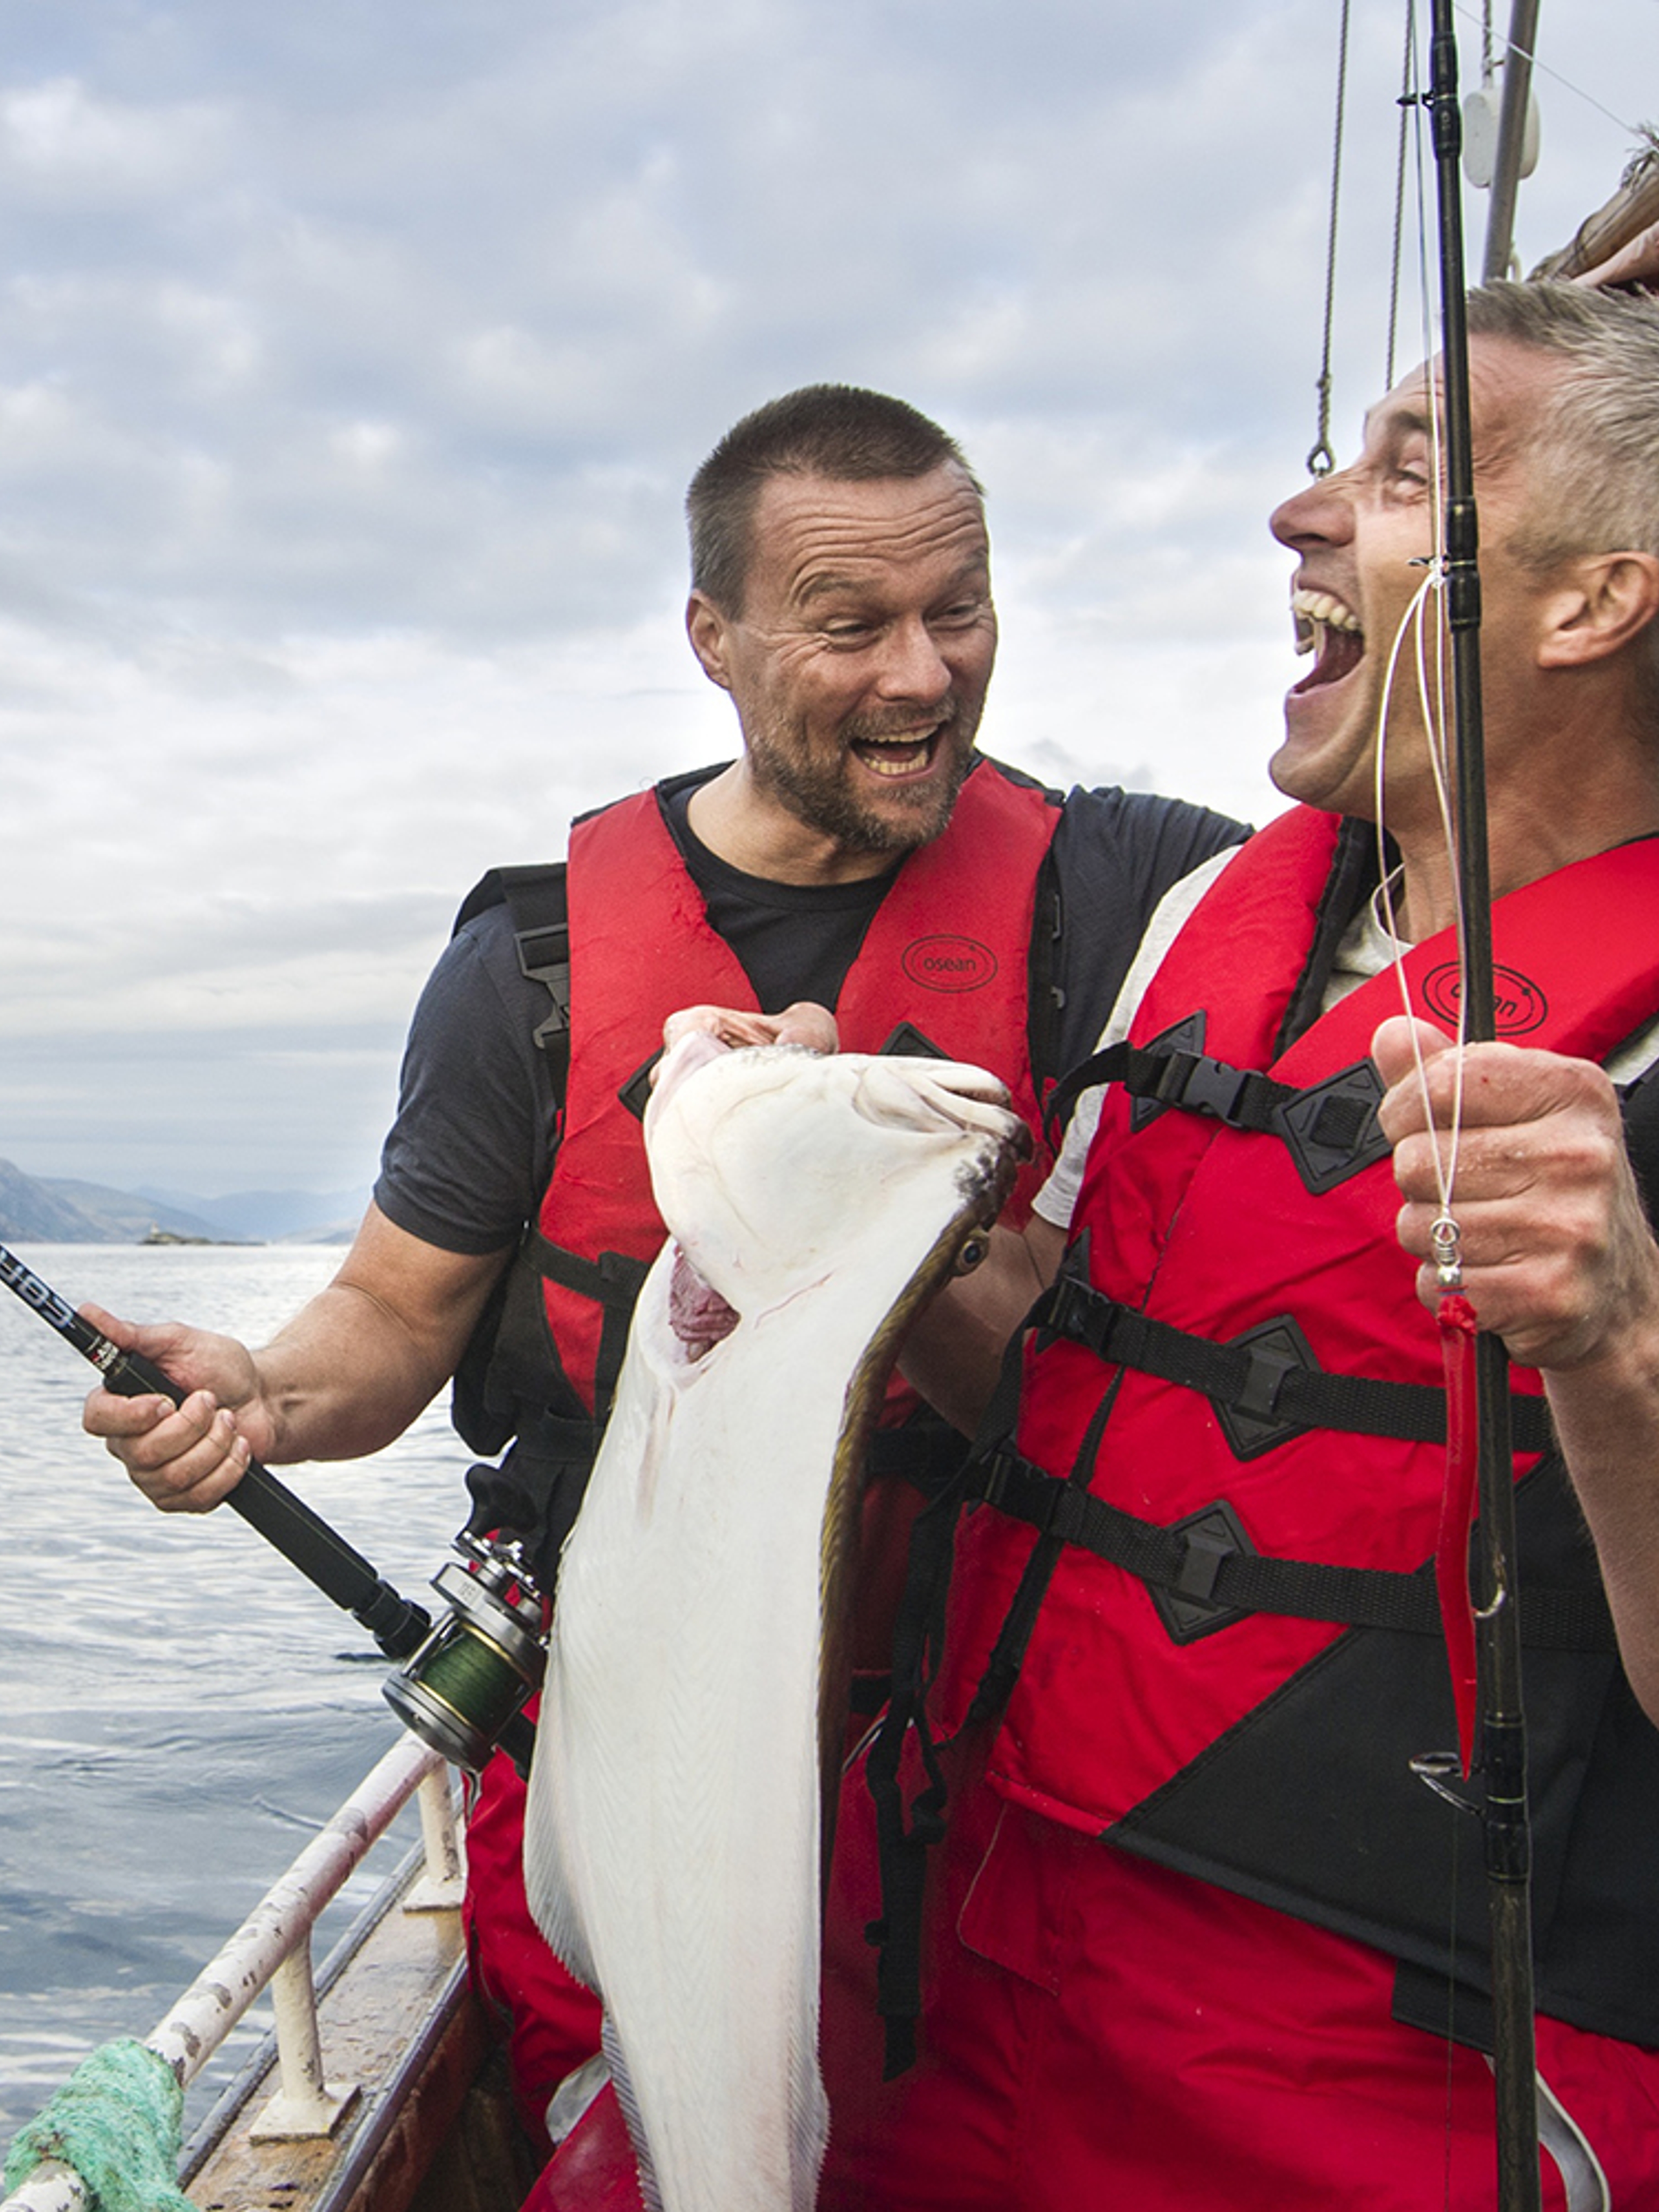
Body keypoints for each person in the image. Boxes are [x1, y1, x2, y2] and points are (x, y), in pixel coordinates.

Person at [80, 383, 1244, 2161]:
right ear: (711, 636)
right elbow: (395, 1321)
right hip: (618, 1734)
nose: (924, 676)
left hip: (1003, 1751)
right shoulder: (533, 965)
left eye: (963, 609)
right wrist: (258, 1392)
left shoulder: (1140, 895)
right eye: (852, 626)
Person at [797, 280, 1659, 2209]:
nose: (1305, 510)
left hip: (1389, 2076)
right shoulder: (1215, 912)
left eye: (1406, 470)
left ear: (1594, 601)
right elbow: (1064, 1374)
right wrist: (853, 1182)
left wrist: (1619, 1341)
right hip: (971, 1956)